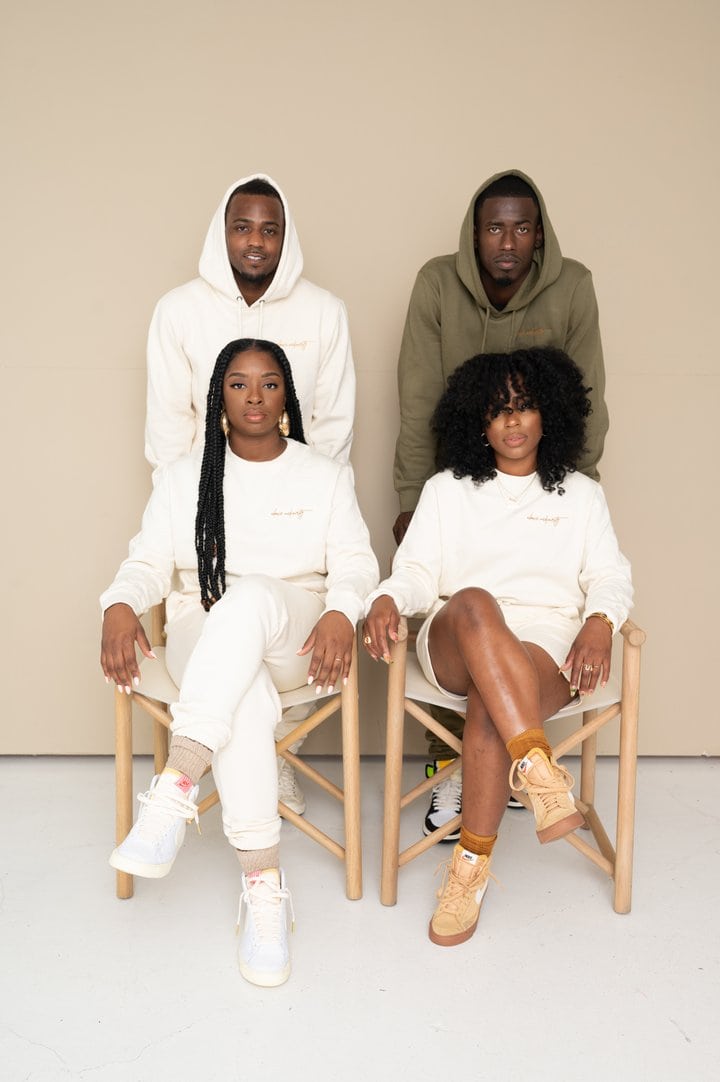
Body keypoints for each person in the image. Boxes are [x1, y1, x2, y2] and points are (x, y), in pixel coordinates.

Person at [101, 338, 378, 987]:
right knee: (243, 695)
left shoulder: (325, 475)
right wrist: (119, 603)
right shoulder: (182, 477)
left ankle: (175, 787)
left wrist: (343, 609)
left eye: (269, 384)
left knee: (250, 597)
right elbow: (146, 564)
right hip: (206, 628)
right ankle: (264, 887)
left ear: (287, 397)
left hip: (298, 634)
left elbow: (358, 563)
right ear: (217, 397)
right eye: (238, 384)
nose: (254, 397)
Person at [364, 347, 632, 947]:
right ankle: (538, 770)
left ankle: (470, 868)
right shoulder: (446, 490)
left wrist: (600, 622)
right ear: (477, 423)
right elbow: (415, 575)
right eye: (498, 410)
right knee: (476, 601)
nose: (512, 421)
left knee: (493, 701)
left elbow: (611, 577)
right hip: (456, 637)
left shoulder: (582, 497)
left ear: (549, 416)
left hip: (546, 646)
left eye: (525, 407)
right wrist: (386, 596)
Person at [392, 169, 609, 836]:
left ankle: (511, 771)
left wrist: (563, 491)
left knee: (503, 628)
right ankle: (447, 773)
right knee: (456, 607)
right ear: (474, 233)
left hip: (541, 476)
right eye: (493, 227)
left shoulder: (571, 285)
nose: (507, 241)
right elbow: (419, 400)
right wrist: (411, 499)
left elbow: (588, 396)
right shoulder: (437, 283)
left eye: (521, 226)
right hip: (453, 484)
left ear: (538, 233)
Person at [146, 172, 357, 812]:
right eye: (243, 227)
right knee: (242, 654)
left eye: (270, 229)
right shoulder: (180, 310)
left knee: (259, 608)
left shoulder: (323, 311)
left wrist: (294, 493)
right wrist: (198, 507)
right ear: (223, 232)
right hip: (205, 518)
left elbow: (334, 424)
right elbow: (169, 429)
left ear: (285, 237)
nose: (256, 242)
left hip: (293, 522)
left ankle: (179, 785)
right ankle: (260, 766)